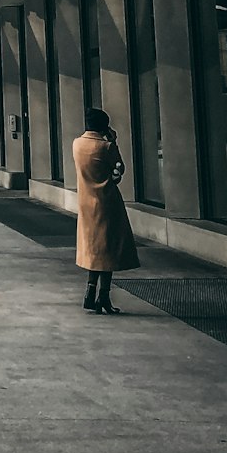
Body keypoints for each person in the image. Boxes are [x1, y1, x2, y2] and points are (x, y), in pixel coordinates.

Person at [72, 107, 139, 314]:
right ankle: (103, 296)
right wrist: (113, 141)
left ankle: (90, 292)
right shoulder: (106, 147)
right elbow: (119, 168)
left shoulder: (77, 144)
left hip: (85, 202)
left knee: (94, 248)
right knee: (107, 250)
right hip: (106, 202)